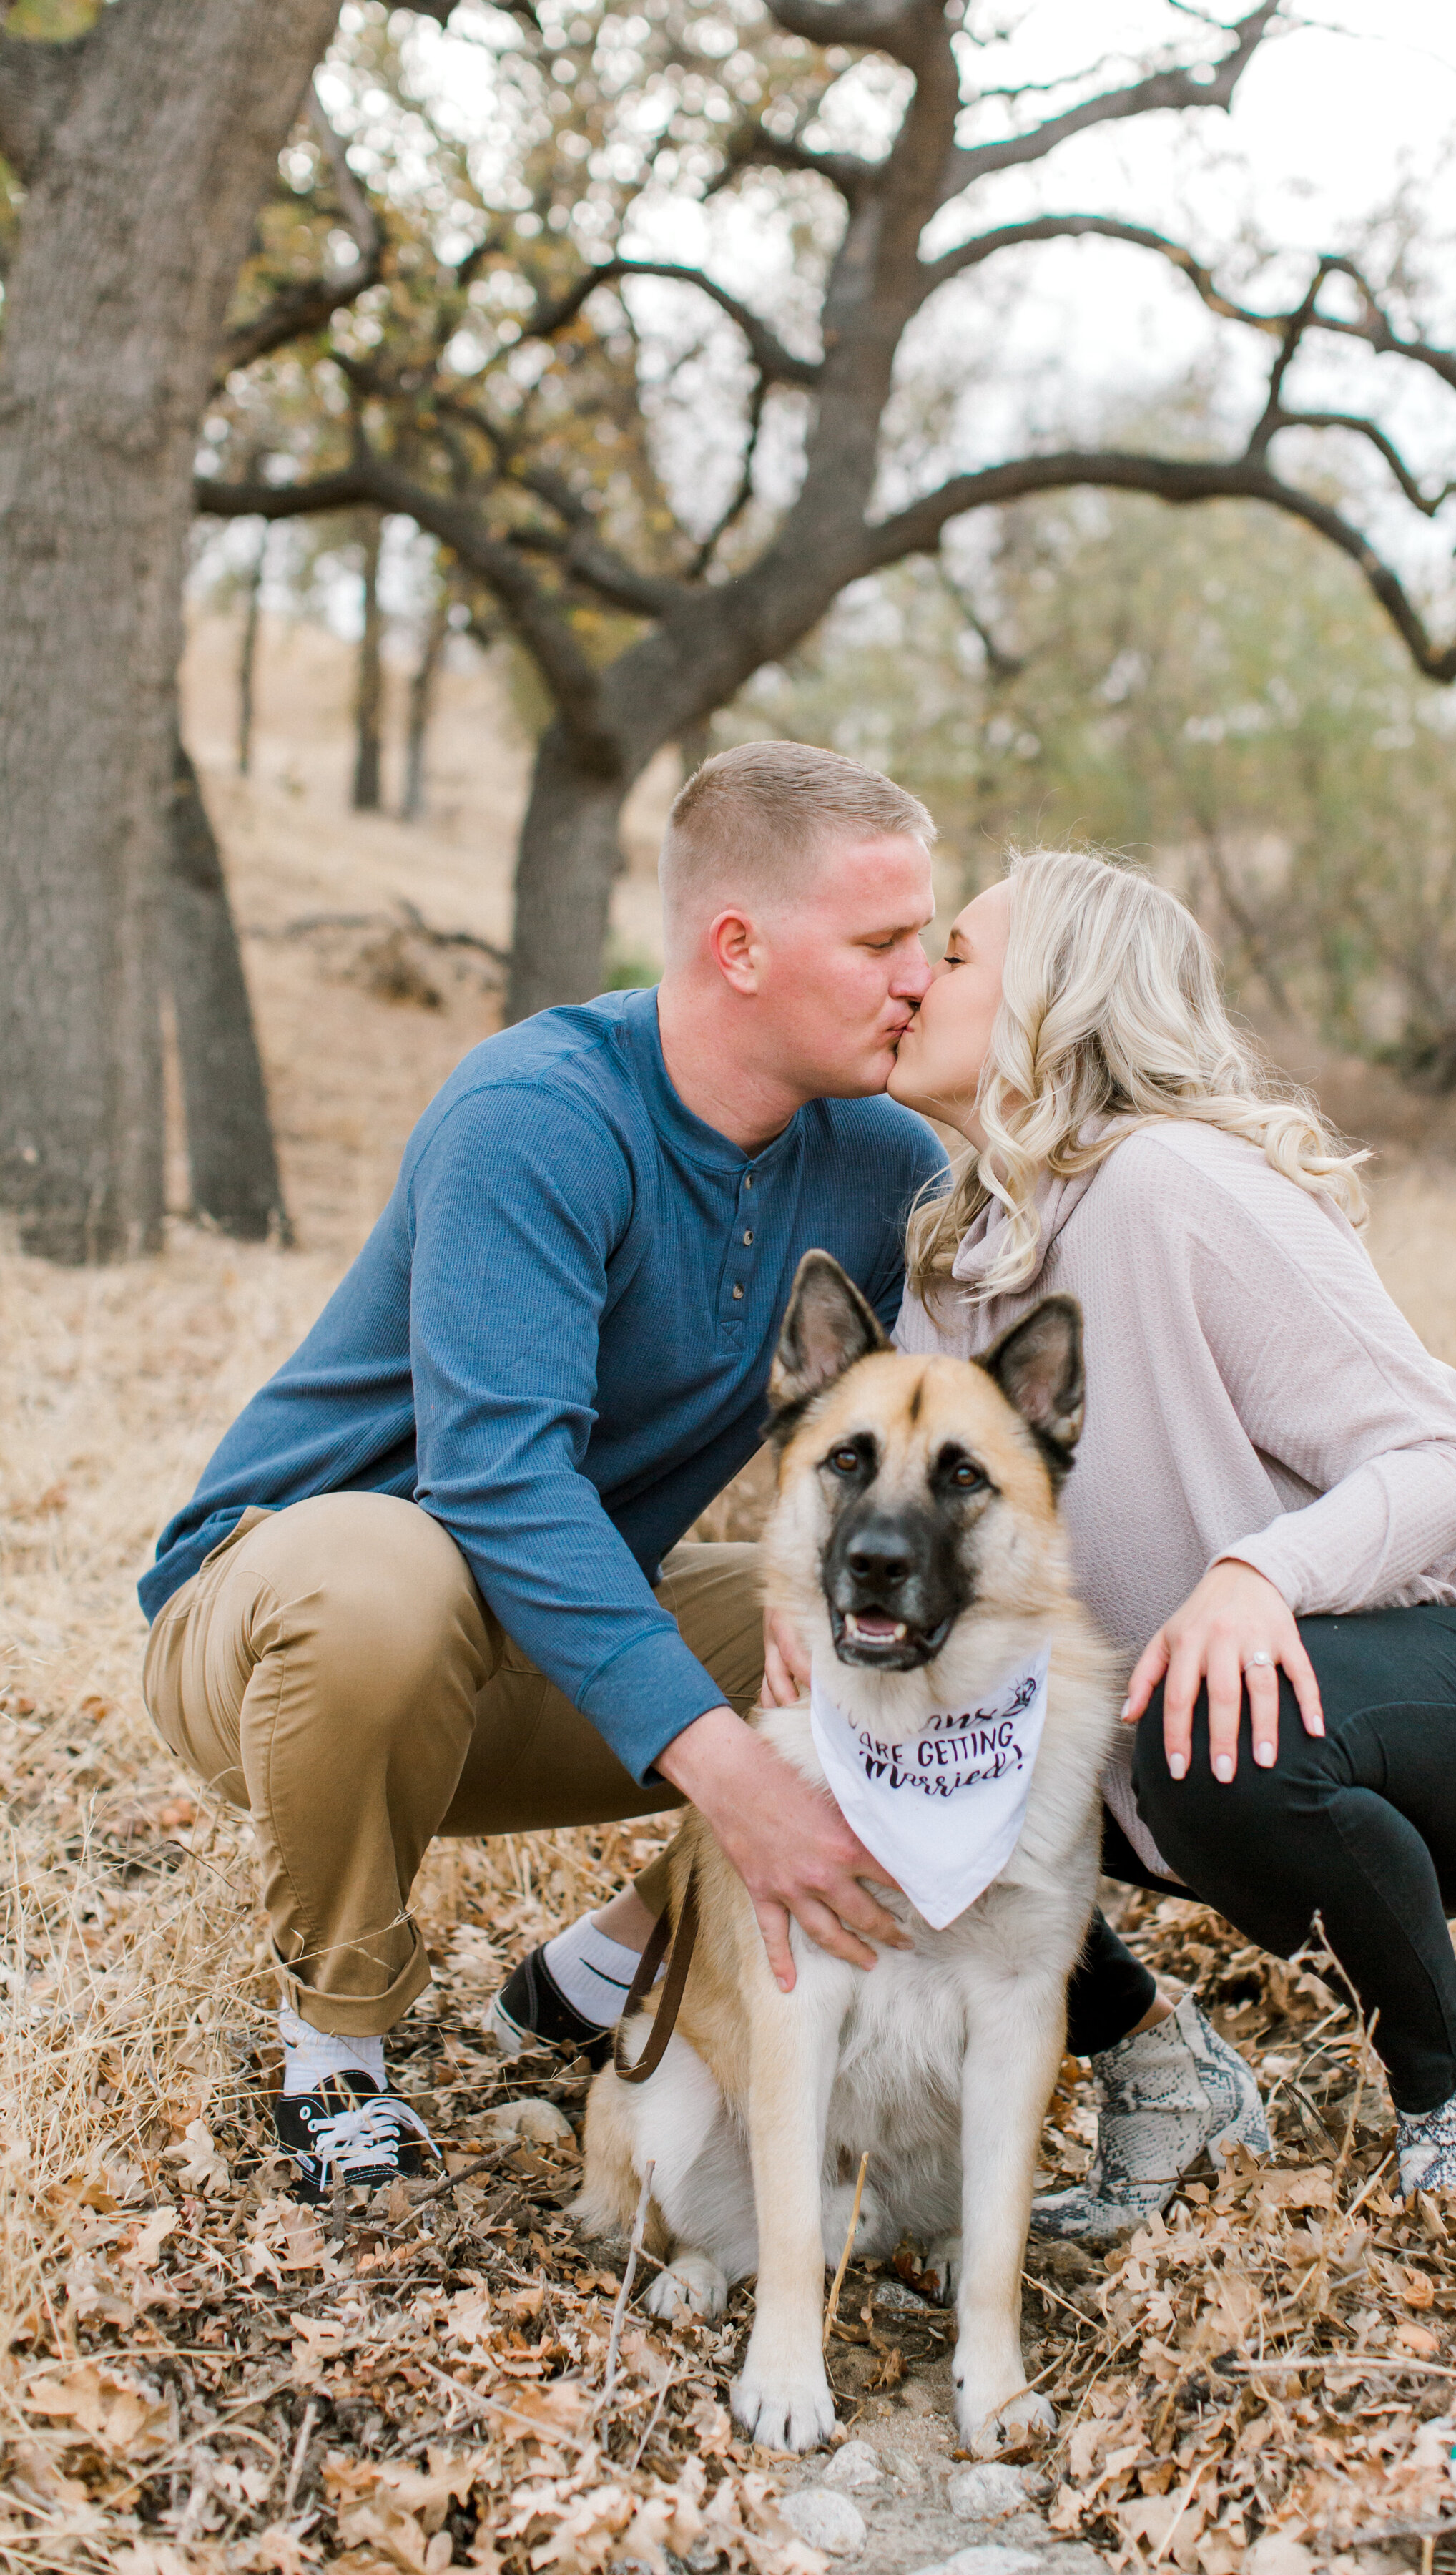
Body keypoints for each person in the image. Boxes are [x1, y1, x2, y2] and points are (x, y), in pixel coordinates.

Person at [138, 742, 949, 2202]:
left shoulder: (883, 1160)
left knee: (888, 1623)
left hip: (544, 1645)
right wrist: (725, 1772)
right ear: (739, 947)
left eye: (931, 945)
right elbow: (495, 1480)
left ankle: (615, 1958)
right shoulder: (537, 1111)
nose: (919, 981)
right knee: (392, 1570)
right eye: (885, 943)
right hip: (287, 1634)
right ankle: (336, 2048)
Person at [876, 846, 1456, 2228]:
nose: (916, 981)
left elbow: (1438, 1461)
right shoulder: (956, 1266)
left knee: (1220, 1733)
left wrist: (1262, 1575)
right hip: (1219, 1722)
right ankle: (1157, 2061)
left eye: (956, 956)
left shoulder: (1173, 1186)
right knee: (901, 1737)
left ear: (1055, 1003)